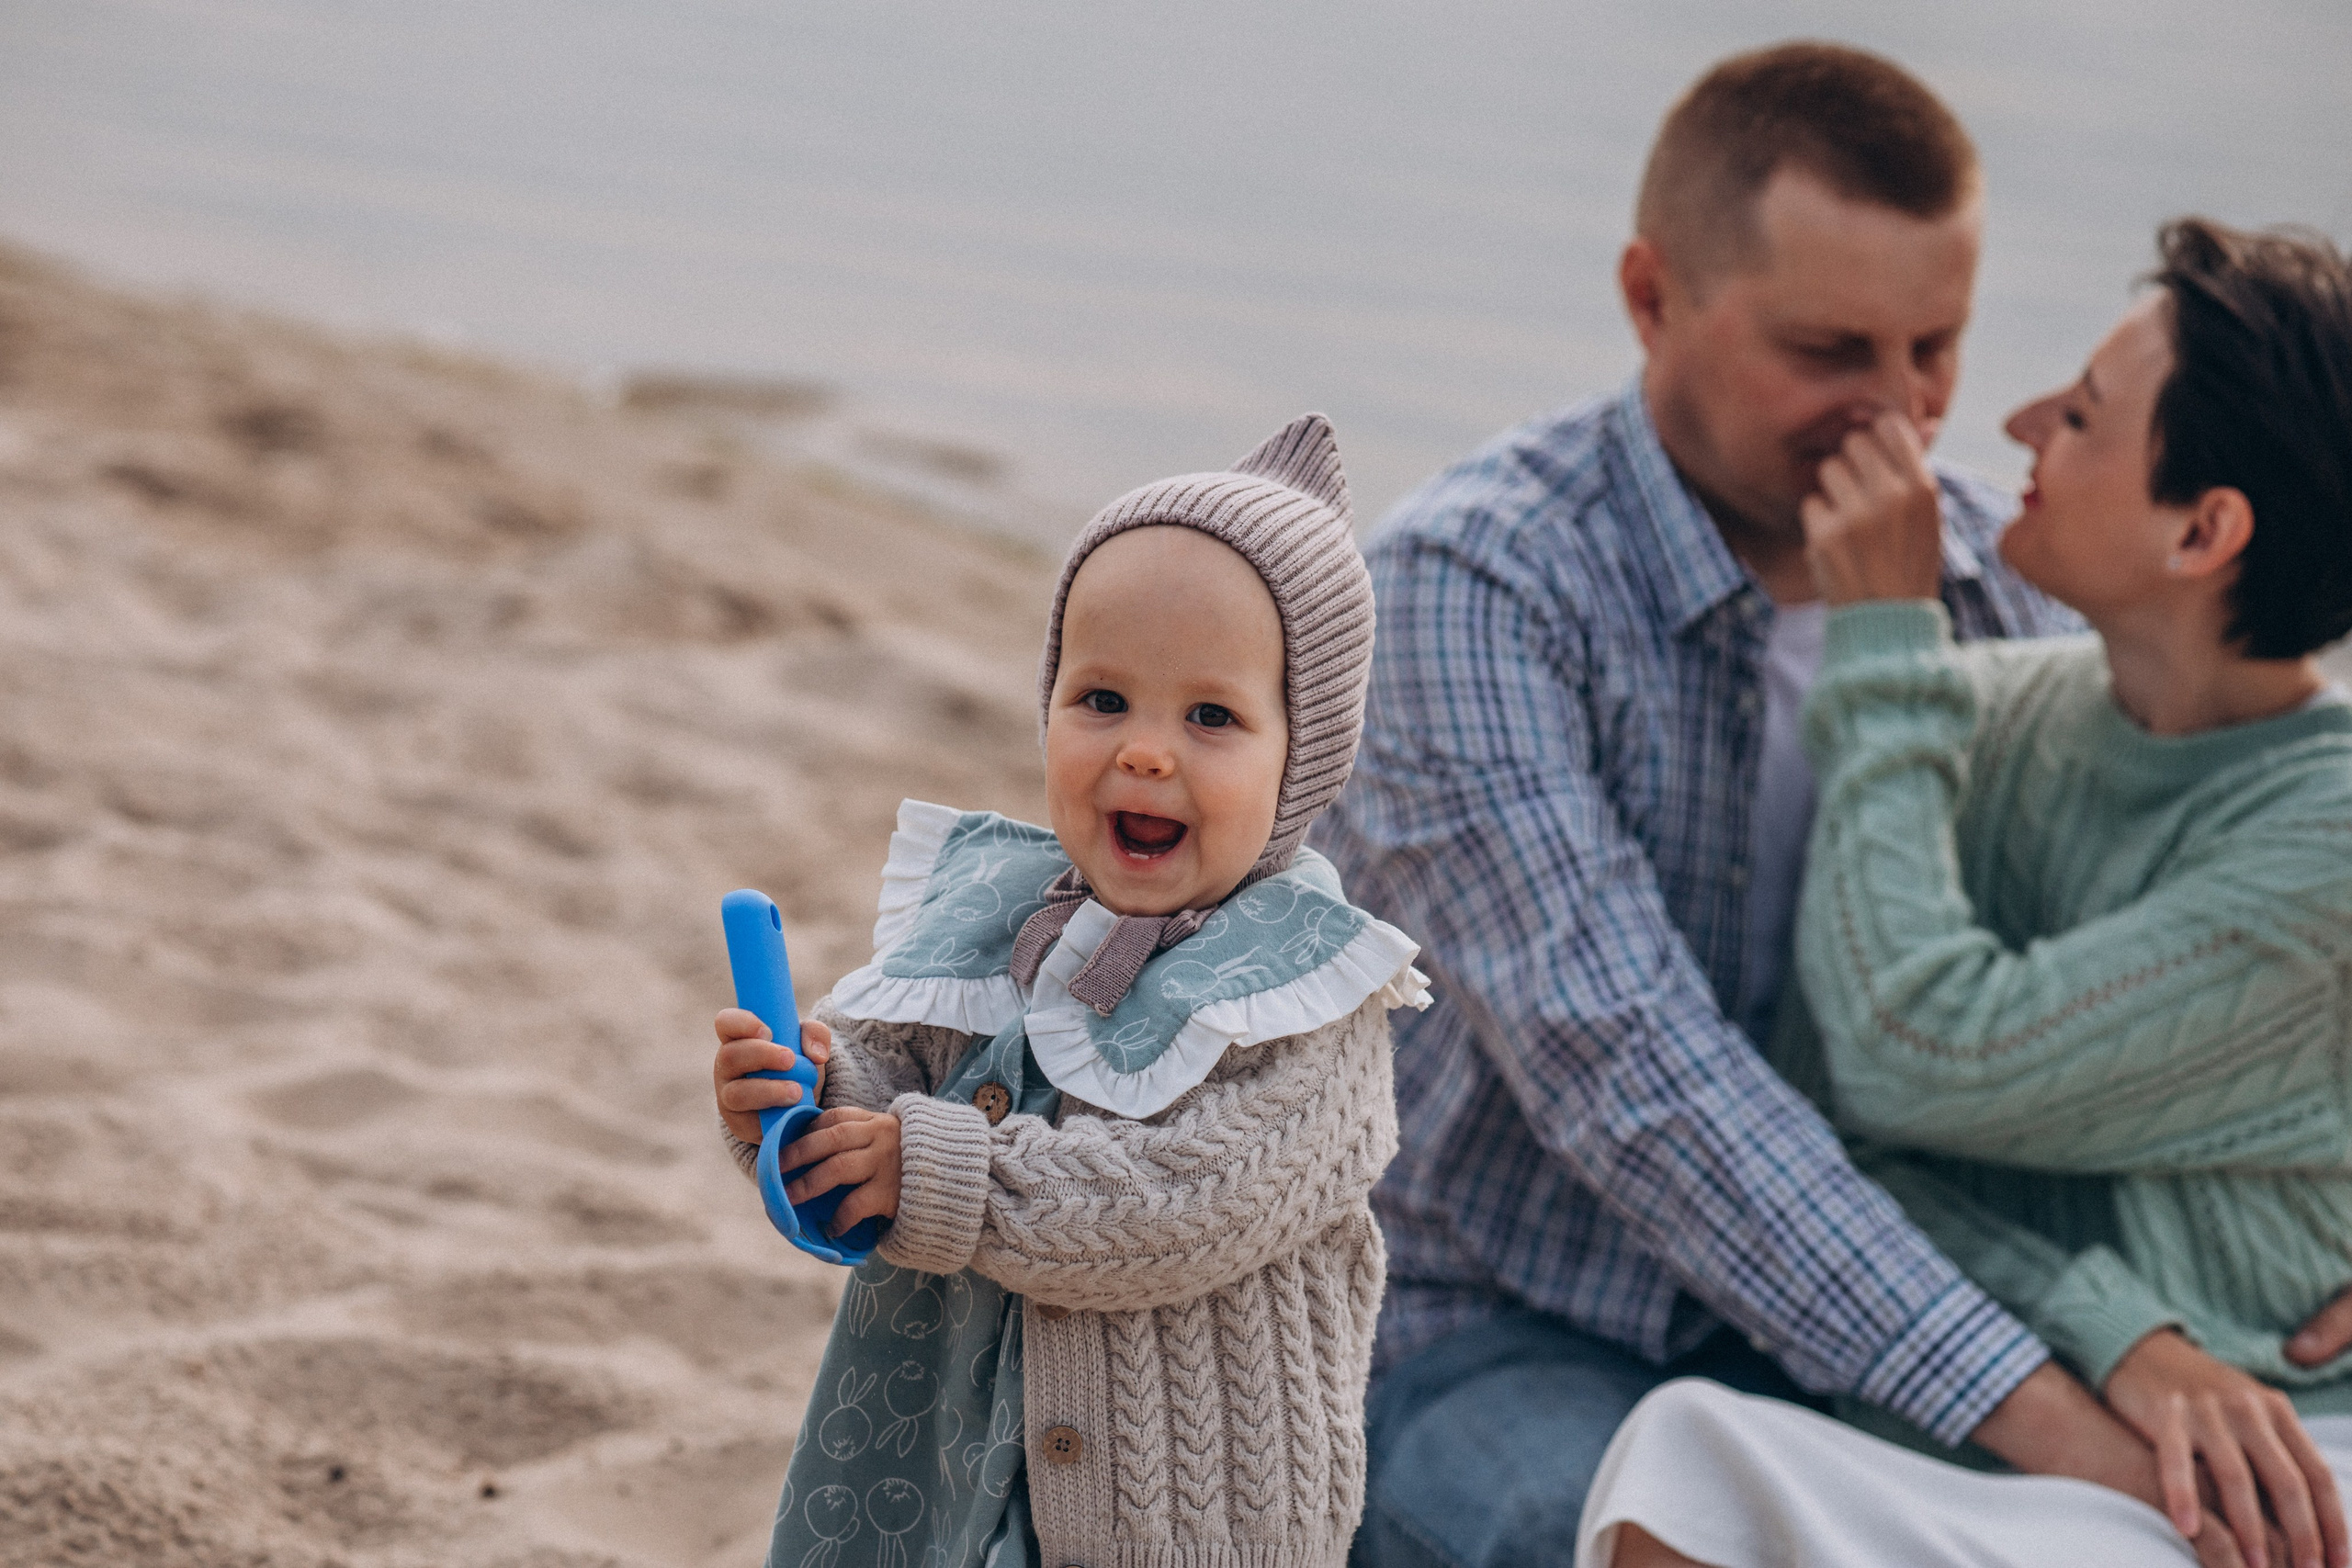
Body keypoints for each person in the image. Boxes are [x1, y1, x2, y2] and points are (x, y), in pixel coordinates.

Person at [1316, 41, 2352, 1568]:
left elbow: (2199, 984)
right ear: (1652, 297)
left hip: (1941, 1321)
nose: (1906, 415)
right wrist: (2076, 1428)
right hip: (1506, 1319)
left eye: (1936, 345)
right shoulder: (1474, 591)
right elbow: (1647, 1087)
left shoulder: (2026, 579)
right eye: (1832, 349)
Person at [1579, 217, 2352, 1568]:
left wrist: (1876, 634)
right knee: (1678, 1460)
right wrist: (2115, 1325)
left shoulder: (2326, 828)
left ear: (2205, 529)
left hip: (2287, 1449)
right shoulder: (1977, 717)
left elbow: (1922, 1044)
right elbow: (1844, 1130)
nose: (2015, 421)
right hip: (2017, 1427)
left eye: (2085, 414)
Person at [712, 415, 1428, 1568]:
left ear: (1305, 754)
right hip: (948, 1466)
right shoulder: (998, 916)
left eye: (1210, 716)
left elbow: (1190, 1203)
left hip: (1180, 1517)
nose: (1144, 751)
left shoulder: (1308, 986)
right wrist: (806, 1102)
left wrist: (937, 1171)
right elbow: (897, 1083)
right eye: (1102, 700)